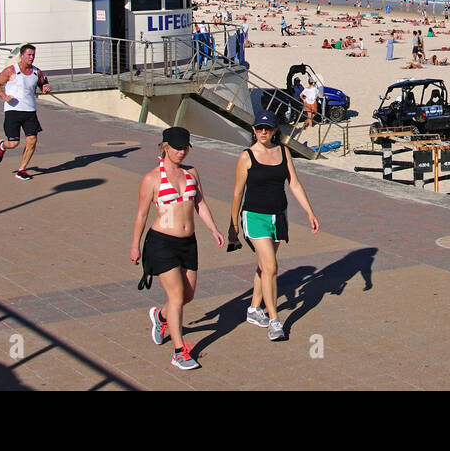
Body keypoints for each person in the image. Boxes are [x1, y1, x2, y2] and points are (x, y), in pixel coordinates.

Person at [132, 126, 224, 370]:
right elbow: (141, 215)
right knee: (175, 296)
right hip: (161, 242)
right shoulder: (151, 179)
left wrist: (213, 229)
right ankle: (178, 351)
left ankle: (161, 317)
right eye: (177, 148)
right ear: (165, 147)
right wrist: (135, 246)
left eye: (185, 148)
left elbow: (200, 203)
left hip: (188, 243)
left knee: (187, 295)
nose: (182, 152)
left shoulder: (191, 172)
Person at [231, 111, 319, 342]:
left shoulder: (283, 152)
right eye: (259, 128)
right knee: (271, 267)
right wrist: (233, 225)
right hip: (255, 217)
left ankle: (253, 309)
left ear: (275, 130)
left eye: (267, 129)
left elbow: (295, 184)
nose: (263, 132)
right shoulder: (246, 156)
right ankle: (274, 320)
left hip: (279, 216)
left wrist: (310, 212)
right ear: (253, 130)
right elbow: (238, 192)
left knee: (265, 266)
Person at [0, 44, 52, 181]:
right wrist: (4, 97)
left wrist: (46, 87)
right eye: (29, 55)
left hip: (30, 111)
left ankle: (22, 170)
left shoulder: (37, 72)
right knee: (14, 143)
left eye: (33, 55)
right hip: (13, 110)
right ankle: (2, 145)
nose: (31, 58)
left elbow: (43, 84)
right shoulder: (11, 70)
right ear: (22, 55)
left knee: (32, 140)